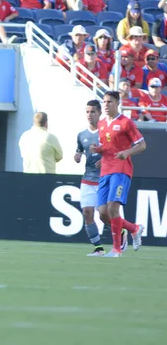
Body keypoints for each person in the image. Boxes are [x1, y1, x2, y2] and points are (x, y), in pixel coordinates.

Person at [89, 91, 146, 257]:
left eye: (110, 102)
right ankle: (134, 228)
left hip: (121, 169)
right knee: (102, 213)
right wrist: (99, 151)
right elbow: (107, 145)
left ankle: (116, 249)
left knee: (113, 207)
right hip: (105, 169)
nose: (106, 105)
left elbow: (142, 145)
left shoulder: (126, 122)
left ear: (117, 103)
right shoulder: (101, 124)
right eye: (104, 102)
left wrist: (127, 152)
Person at [74, 100, 112, 256]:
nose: (89, 115)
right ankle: (98, 248)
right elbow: (78, 152)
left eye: (93, 112)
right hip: (87, 179)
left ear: (100, 113)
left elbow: (115, 152)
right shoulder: (81, 135)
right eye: (87, 112)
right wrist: (77, 156)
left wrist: (104, 160)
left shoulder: (106, 132)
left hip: (104, 179)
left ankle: (121, 229)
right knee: (87, 212)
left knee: (104, 215)